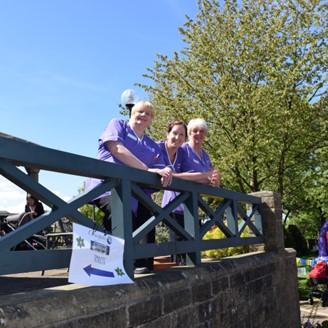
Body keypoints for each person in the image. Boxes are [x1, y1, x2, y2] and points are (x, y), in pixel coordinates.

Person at [86, 100, 172, 274]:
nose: (143, 115)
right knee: (120, 211)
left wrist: (168, 170)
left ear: (151, 121)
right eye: (139, 111)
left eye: (148, 114)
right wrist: (147, 169)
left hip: (136, 192)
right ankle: (110, 264)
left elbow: (164, 166)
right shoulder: (118, 125)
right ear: (132, 114)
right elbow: (116, 148)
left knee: (148, 216)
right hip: (107, 186)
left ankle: (145, 264)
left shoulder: (152, 144)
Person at [157, 119, 219, 265]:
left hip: (192, 207)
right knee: (179, 250)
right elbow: (176, 176)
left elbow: (205, 179)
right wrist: (205, 177)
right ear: (189, 134)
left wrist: (213, 180)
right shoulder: (183, 149)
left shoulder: (205, 155)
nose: (198, 134)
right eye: (194, 131)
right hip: (175, 205)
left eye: (202, 131)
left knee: (193, 249)